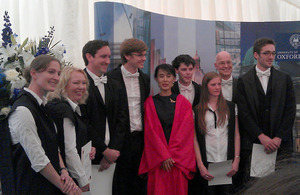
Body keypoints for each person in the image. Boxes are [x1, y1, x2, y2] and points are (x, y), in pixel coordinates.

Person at [3, 55, 81, 194]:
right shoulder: (23, 110)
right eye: (51, 72)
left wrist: (63, 170)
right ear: (33, 73)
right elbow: (38, 160)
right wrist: (67, 189)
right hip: (31, 187)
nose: (56, 78)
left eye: (58, 73)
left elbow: (52, 144)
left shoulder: (43, 106)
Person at [237, 37, 296, 185]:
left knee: (283, 185)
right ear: (256, 55)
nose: (271, 57)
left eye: (273, 53)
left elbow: (290, 111)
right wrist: (261, 137)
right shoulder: (244, 81)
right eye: (267, 53)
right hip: (256, 145)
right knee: (258, 186)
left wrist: (278, 138)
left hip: (281, 145)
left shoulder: (285, 79)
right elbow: (244, 114)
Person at [139, 64, 196, 195]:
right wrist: (164, 156)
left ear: (174, 79)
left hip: (177, 163)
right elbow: (151, 133)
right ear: (156, 79)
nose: (165, 80)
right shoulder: (150, 103)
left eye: (168, 76)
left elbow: (185, 133)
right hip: (158, 162)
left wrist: (171, 156)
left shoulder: (183, 103)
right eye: (161, 76)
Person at [81, 40, 126, 192]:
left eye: (109, 57)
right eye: (103, 57)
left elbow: (122, 119)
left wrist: (113, 150)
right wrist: (104, 150)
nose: (108, 61)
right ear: (89, 57)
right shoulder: (79, 84)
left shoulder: (115, 84)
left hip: (113, 158)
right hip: (88, 157)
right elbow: (83, 122)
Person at [107, 38, 150, 194]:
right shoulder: (110, 77)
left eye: (145, 54)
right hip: (119, 141)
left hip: (140, 141)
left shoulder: (145, 78)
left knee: (139, 184)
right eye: (139, 55)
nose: (144, 58)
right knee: (120, 185)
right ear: (127, 56)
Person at [46, 67, 96, 192]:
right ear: (63, 84)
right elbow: (69, 150)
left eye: (84, 83)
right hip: (66, 179)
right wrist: (83, 181)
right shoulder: (64, 109)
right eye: (76, 83)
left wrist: (88, 149)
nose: (81, 87)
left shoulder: (72, 107)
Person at [194, 72, 240, 195]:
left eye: (219, 84)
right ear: (205, 87)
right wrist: (200, 165)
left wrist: (236, 160)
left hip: (226, 162)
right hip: (208, 163)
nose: (217, 87)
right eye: (213, 84)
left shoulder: (230, 107)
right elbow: (195, 140)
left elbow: (236, 135)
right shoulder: (197, 110)